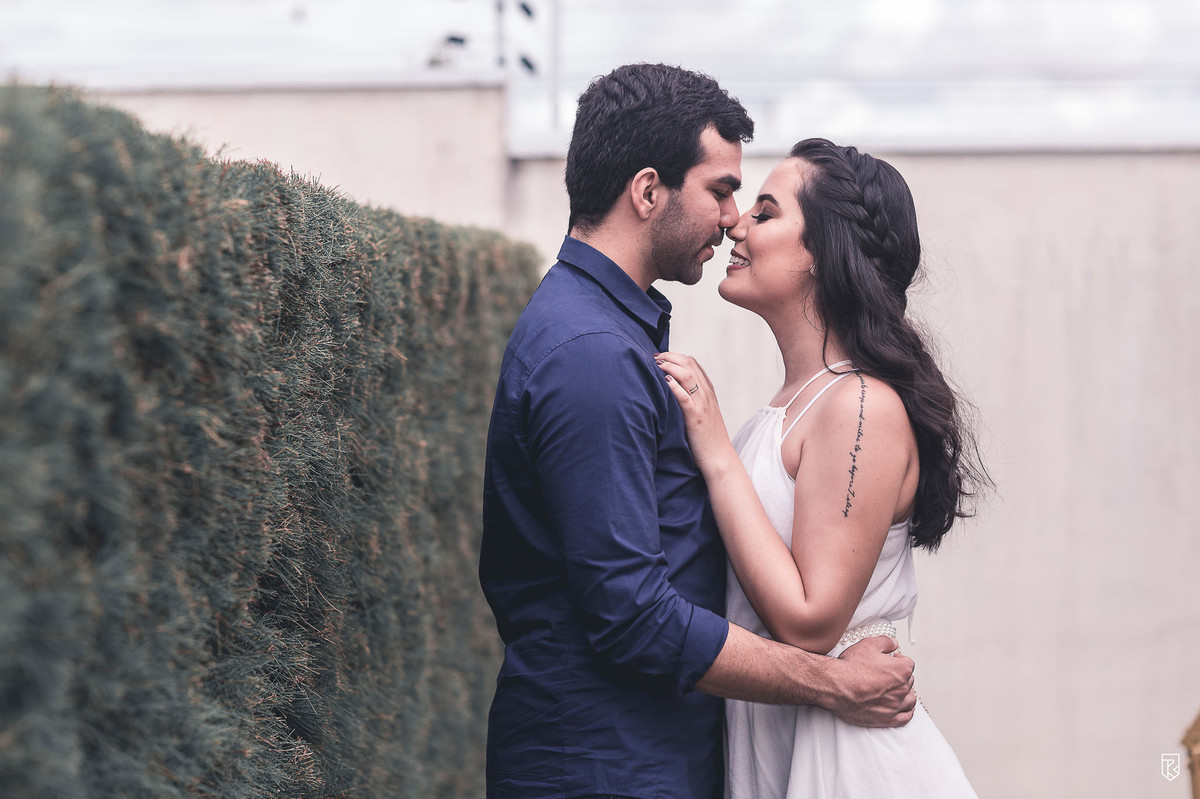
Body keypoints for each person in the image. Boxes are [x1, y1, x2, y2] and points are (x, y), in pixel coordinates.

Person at [480, 65, 917, 799]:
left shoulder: (616, 337)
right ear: (648, 191)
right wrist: (832, 684)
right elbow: (632, 615)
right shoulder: (591, 353)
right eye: (720, 190)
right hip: (604, 765)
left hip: (650, 758)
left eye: (754, 203)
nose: (733, 217)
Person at [655, 138, 989, 798]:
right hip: (782, 742)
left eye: (767, 213)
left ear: (822, 254)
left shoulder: (861, 403)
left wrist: (715, 451)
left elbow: (811, 621)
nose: (736, 224)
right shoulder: (786, 412)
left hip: (851, 761)